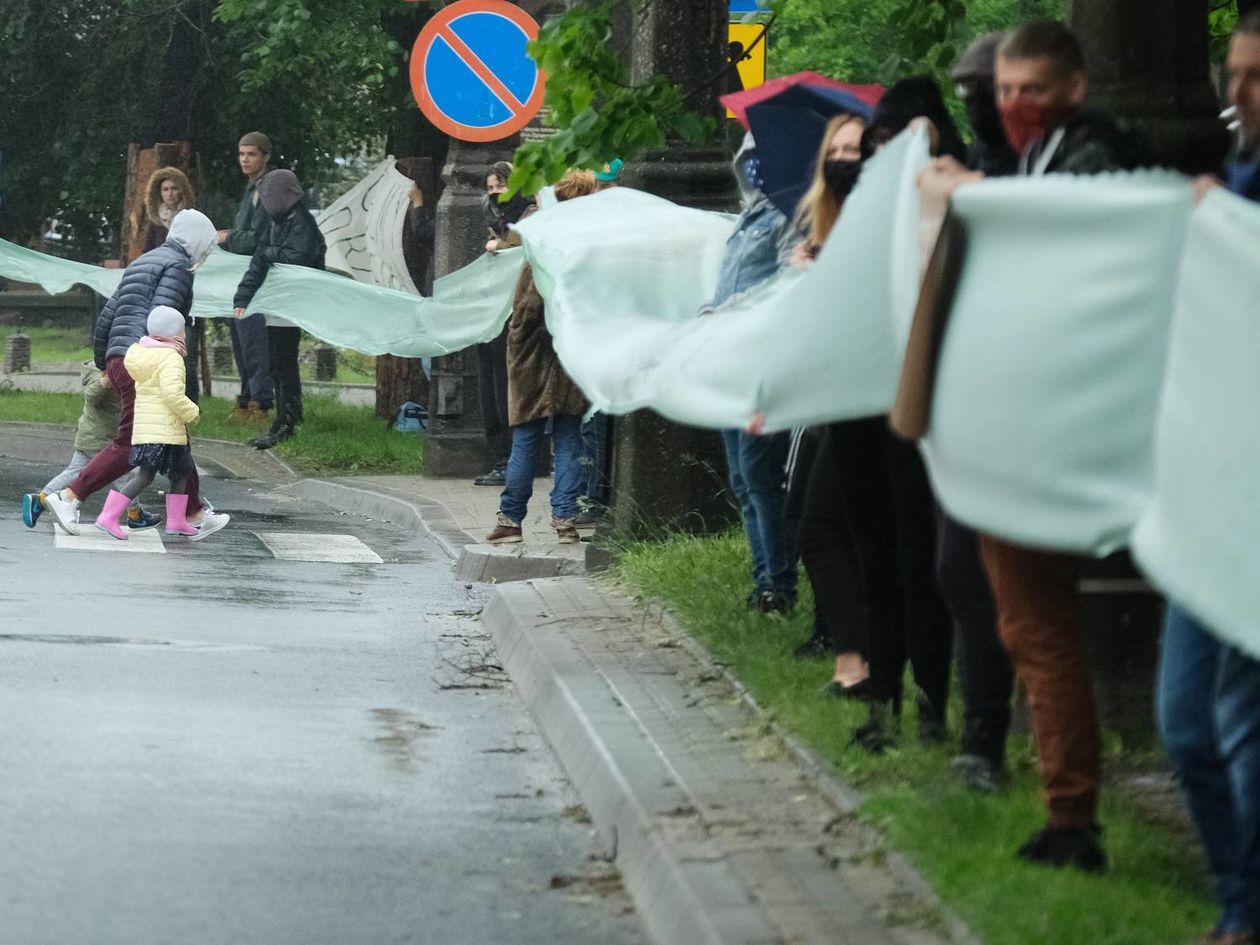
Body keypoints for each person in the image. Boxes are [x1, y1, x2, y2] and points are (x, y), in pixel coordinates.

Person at [973, 20, 1145, 874]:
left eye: (1030, 90)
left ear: (1074, 87)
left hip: (1059, 434)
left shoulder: (1091, 161)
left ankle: (1072, 813)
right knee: (1030, 626)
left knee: (1039, 628)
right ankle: (1065, 806)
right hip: (1039, 425)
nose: (1013, 106)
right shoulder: (1047, 158)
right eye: (1005, 91)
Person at [1156, 15, 1260, 944]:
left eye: (1257, 77)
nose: (1241, 94)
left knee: (1238, 712)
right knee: (1186, 718)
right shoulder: (1231, 186)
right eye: (1234, 74)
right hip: (1216, 493)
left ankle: (1243, 912)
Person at [41, 210, 228, 540]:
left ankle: (193, 511)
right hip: (146, 359)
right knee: (132, 441)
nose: (207, 254)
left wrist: (105, 362)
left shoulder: (145, 261)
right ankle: (69, 496)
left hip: (121, 355)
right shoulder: (179, 267)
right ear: (197, 241)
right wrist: (167, 360)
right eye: (207, 246)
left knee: (172, 433)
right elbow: (163, 315)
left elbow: (109, 314)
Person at [938, 34, 1018, 793]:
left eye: (987, 89)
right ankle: (979, 728)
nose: (983, 106)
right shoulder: (969, 172)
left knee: (1024, 589)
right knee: (959, 567)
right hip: (967, 403)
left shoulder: (1058, 164)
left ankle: (991, 732)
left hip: (1030, 407)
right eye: (967, 91)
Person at [787, 114, 875, 696]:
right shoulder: (826, 225)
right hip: (831, 400)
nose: (844, 158)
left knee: (820, 527)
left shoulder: (878, 222)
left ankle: (857, 665)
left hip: (870, 402)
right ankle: (860, 658)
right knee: (822, 525)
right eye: (836, 149)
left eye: (856, 148)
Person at [710, 132, 802, 615]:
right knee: (742, 480)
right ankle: (763, 580)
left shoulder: (791, 213)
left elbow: (790, 284)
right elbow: (731, 282)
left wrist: (738, 310)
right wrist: (711, 310)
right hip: (730, 360)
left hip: (762, 364)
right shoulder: (748, 214)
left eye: (762, 157)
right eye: (749, 157)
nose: (753, 166)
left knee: (760, 476)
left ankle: (779, 588)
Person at [485, 170, 597, 546]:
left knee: (526, 436)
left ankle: (511, 521)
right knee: (568, 437)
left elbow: (530, 298)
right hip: (571, 343)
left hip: (532, 346)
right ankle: (565, 518)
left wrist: (518, 332)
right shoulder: (589, 236)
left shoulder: (537, 227)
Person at [93, 307, 215, 541]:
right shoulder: (170, 357)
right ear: (175, 333)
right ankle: (108, 517)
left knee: (181, 470)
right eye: (181, 330)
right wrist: (192, 412)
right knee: (146, 476)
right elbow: (172, 394)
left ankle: (177, 521)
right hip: (165, 429)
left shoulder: (140, 354)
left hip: (149, 427)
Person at [232, 169, 325, 450]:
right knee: (276, 364)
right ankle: (285, 419)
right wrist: (242, 297)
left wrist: (268, 253)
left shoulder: (303, 224)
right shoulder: (277, 223)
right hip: (277, 303)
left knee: (283, 365)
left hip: (292, 304)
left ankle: (288, 420)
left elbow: (296, 257)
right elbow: (259, 262)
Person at [21, 360, 160, 531]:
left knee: (73, 472)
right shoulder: (99, 369)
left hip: (91, 436)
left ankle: (41, 499)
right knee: (125, 476)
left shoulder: (113, 365)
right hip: (100, 439)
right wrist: (106, 381)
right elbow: (91, 395)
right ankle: (135, 514)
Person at [474, 161, 534, 488]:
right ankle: (499, 456)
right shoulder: (496, 219)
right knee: (490, 389)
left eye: (500, 187)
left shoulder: (530, 214)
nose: (494, 194)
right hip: (492, 311)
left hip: (517, 314)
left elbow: (522, 250)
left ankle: (513, 460)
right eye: (490, 189)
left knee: (507, 387)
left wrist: (500, 245)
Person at [217, 132, 275, 423]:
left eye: (251, 154)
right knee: (241, 341)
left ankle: (261, 403)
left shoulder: (267, 190)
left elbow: (256, 239)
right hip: (241, 275)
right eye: (241, 154)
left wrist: (227, 237)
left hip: (257, 277)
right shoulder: (250, 188)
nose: (244, 160)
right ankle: (246, 398)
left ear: (265, 156)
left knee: (253, 341)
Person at [140, 166, 203, 404]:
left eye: (174, 187)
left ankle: (190, 402)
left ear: (182, 191)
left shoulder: (193, 221)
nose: (169, 193)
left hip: (186, 296)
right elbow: (147, 255)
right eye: (165, 188)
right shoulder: (154, 223)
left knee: (185, 352)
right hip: (160, 296)